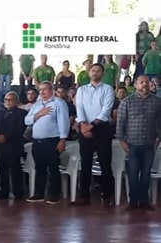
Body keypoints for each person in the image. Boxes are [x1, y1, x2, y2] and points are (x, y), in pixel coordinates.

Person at [116, 75, 161, 211]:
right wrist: (121, 141)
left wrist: (159, 137)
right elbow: (120, 123)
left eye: (147, 82)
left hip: (149, 143)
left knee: (146, 173)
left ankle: (144, 201)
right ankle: (133, 201)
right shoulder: (127, 102)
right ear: (135, 85)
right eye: (141, 82)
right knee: (133, 173)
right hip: (132, 144)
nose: (145, 84)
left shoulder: (158, 102)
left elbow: (160, 122)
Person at [73, 63, 115, 207]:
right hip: (85, 128)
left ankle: (107, 195)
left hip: (102, 129)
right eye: (93, 70)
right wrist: (84, 125)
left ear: (102, 74)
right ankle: (84, 196)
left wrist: (92, 125)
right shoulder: (82, 90)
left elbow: (106, 109)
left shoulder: (108, 89)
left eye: (98, 71)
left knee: (105, 163)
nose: (95, 73)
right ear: (89, 72)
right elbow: (79, 107)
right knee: (85, 164)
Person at [24, 82, 69, 204]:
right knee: (39, 168)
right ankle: (39, 194)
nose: (42, 92)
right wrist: (38, 114)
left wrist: (62, 139)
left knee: (53, 168)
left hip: (52, 140)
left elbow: (63, 122)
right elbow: (27, 120)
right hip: (37, 141)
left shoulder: (58, 103)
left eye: (45, 90)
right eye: (40, 90)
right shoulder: (37, 105)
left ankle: (54, 195)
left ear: (51, 90)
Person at [0, 92, 27, 200]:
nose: (8, 102)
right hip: (0, 146)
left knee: (15, 171)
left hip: (14, 146)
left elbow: (19, 128)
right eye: (6, 100)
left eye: (10, 100)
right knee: (1, 171)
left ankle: (18, 193)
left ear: (16, 101)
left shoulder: (22, 113)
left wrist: (6, 136)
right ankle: (4, 192)